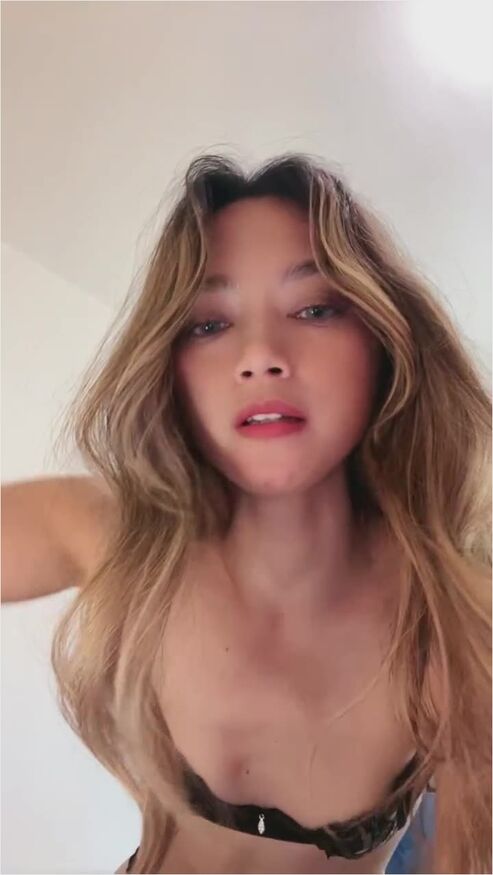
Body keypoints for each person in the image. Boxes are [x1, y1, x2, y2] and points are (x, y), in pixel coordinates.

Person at [2, 153, 490, 875]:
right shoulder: (116, 539)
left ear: (383, 342)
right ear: (170, 369)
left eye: (314, 308)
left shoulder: (453, 625)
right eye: (209, 323)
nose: (260, 355)